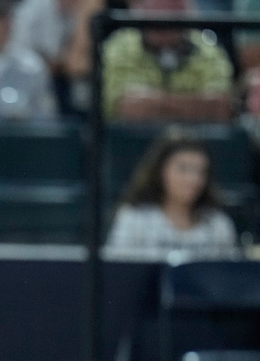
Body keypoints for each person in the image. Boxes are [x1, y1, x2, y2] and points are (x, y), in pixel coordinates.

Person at [105, 129, 240, 260]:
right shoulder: (134, 218)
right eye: (183, 169)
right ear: (160, 170)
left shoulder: (218, 224)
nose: (193, 179)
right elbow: (116, 273)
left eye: (200, 171)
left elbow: (230, 277)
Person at [101, 0, 235, 121]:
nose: (166, 21)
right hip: (129, 143)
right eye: (159, 15)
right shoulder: (120, 46)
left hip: (197, 142)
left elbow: (220, 108)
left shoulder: (209, 49)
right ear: (142, 10)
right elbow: (125, 108)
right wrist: (194, 106)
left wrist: (153, 104)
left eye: (175, 13)